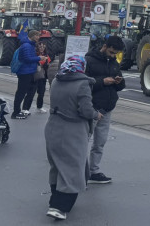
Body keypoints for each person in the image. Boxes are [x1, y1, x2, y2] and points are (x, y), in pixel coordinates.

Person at [45, 55, 102, 220]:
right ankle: (59, 207)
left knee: (56, 165)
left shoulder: (56, 81)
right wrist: (96, 115)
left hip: (52, 126)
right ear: (81, 67)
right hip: (72, 130)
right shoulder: (83, 84)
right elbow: (85, 110)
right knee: (72, 168)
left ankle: (54, 200)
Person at [84, 35, 126, 184]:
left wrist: (119, 82)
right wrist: (102, 81)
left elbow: (120, 86)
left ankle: (93, 171)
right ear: (104, 47)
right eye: (111, 52)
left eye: (116, 53)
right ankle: (80, 171)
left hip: (107, 108)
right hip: (92, 107)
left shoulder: (114, 63)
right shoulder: (89, 60)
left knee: (100, 142)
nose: (113, 56)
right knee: (83, 141)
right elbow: (83, 84)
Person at [12, 29, 45, 119]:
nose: (38, 37)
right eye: (37, 35)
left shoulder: (30, 45)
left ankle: (21, 110)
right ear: (33, 36)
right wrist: (39, 58)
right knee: (21, 92)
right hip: (24, 72)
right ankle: (16, 112)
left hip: (29, 71)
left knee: (26, 91)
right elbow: (27, 59)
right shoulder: (27, 45)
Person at [26, 40, 51, 113]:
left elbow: (49, 63)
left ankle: (39, 107)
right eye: (40, 47)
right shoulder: (34, 54)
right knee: (31, 93)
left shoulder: (46, 55)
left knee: (41, 92)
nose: (42, 48)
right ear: (37, 47)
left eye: (43, 47)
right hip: (35, 76)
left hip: (43, 76)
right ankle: (26, 108)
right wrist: (42, 61)